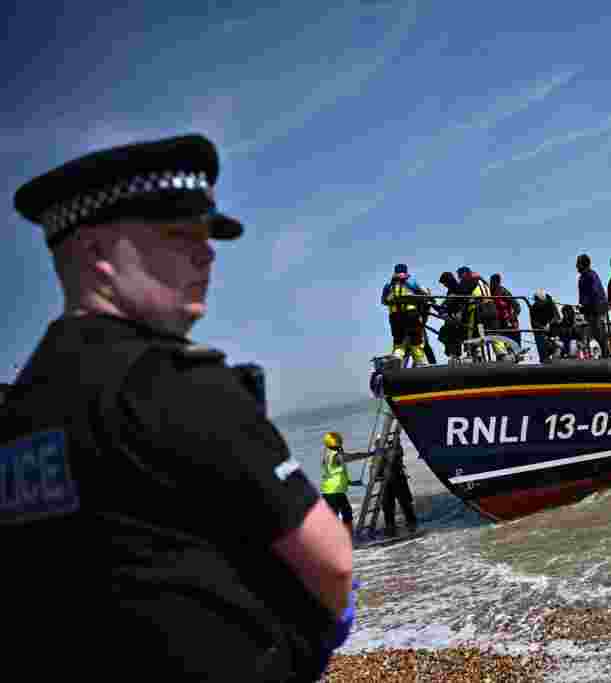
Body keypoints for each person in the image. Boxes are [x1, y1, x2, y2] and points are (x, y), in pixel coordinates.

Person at [2, 134, 355, 681]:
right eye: (177, 233)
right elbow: (331, 563)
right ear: (96, 254)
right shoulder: (172, 381)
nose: (207, 252)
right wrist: (308, 641)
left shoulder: (19, 409)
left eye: (207, 235)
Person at [381, 264, 429, 367]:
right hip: (411, 314)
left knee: (398, 340)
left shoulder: (388, 284)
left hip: (395, 316)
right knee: (416, 339)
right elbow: (425, 294)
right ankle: (421, 363)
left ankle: (397, 357)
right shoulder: (412, 281)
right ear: (406, 271)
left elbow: (384, 301)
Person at [458, 266, 509, 361]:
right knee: (494, 331)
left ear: (463, 274)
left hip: (478, 309)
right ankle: (502, 354)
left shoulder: (467, 280)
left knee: (472, 331)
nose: (459, 278)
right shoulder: (483, 281)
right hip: (492, 308)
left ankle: (474, 354)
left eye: (459, 276)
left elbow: (461, 295)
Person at [321, 431, 359, 537]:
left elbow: (334, 474)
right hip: (333, 492)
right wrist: (372, 453)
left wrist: (351, 482)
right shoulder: (336, 456)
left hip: (333, 491)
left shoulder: (328, 454)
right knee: (342, 516)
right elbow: (353, 457)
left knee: (344, 514)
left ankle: (346, 538)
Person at [380, 439, 418, 537]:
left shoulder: (396, 449)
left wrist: (382, 453)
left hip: (398, 480)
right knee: (387, 506)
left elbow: (393, 455)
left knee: (405, 503)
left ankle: (412, 525)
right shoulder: (380, 453)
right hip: (386, 483)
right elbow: (376, 468)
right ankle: (390, 527)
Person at [576, 254, 609, 358]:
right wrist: (582, 306)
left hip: (597, 309)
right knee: (594, 333)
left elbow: (595, 292)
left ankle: (606, 354)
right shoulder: (582, 278)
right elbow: (582, 295)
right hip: (589, 310)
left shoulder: (591, 275)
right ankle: (601, 354)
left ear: (583, 264)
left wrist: (586, 304)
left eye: (578, 263)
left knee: (599, 332)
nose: (576, 266)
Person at [436, 271, 466, 359]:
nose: (444, 285)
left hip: (456, 316)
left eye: (444, 283)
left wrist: (443, 307)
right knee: (448, 334)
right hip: (452, 316)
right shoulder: (453, 288)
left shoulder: (456, 288)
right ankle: (454, 354)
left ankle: (454, 354)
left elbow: (452, 300)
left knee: (450, 335)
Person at [490, 273, 522, 350]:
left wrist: (512, 317)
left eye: (493, 281)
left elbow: (517, 306)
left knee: (511, 338)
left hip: (507, 320)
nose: (491, 283)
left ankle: (514, 352)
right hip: (496, 321)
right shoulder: (490, 292)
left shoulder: (504, 291)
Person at [529, 288, 561, 363]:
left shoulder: (551, 304)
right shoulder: (533, 308)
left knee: (556, 344)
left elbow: (557, 317)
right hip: (541, 331)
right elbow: (533, 322)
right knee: (540, 339)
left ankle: (555, 357)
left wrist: (549, 324)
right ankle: (543, 359)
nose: (537, 302)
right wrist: (542, 327)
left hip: (553, 330)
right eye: (536, 300)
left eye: (538, 300)